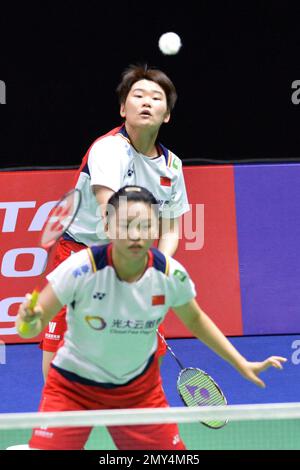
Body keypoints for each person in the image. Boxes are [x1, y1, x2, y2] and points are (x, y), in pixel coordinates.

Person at [16, 186, 287, 451]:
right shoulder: (80, 269)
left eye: (145, 226)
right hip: (73, 387)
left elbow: (195, 320)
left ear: (155, 229)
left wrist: (241, 363)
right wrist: (28, 319)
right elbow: (32, 328)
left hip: (137, 390)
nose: (136, 235)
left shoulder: (169, 274)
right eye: (126, 225)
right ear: (108, 227)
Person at [41, 64, 189, 379]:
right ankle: (59, 416)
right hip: (81, 254)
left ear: (167, 116)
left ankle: (139, 412)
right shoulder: (108, 149)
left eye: (156, 97)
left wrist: (158, 264)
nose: (146, 102)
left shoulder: (173, 166)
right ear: (123, 109)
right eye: (138, 96)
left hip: (135, 256)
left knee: (148, 339)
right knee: (62, 344)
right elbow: (112, 211)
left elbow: (172, 227)